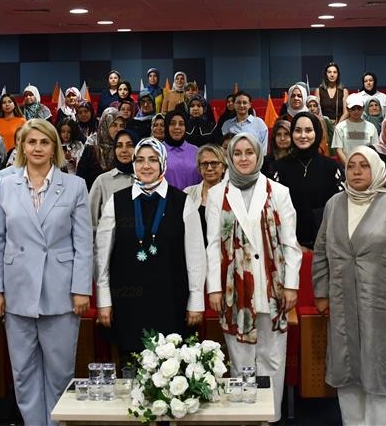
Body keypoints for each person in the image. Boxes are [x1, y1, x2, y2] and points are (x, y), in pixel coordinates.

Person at [0, 119, 92, 426]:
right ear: (21, 146)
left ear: (54, 147)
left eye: (44, 142)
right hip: (17, 291)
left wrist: (81, 289)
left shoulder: (74, 186)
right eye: (31, 142)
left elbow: (83, 243)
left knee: (60, 373)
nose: (37, 148)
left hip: (60, 292)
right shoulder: (6, 185)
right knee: (23, 373)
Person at [313, 146, 386, 426]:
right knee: (348, 371)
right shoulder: (334, 204)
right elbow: (321, 251)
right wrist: (321, 292)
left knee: (382, 370)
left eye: (364, 166)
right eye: (351, 166)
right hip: (343, 302)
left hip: (384, 305)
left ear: (376, 169)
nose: (357, 171)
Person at [206, 132, 300, 422]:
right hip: (233, 288)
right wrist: (214, 288)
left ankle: (270, 417)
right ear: (229, 157)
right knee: (241, 357)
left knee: (272, 357)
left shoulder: (279, 191)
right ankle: (244, 416)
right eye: (237, 153)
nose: (244, 158)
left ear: (258, 156)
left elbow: (290, 244)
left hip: (272, 287)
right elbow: (212, 245)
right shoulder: (216, 194)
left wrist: (291, 285)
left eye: (249, 152)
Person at [94, 137, 205, 356]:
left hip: (171, 299)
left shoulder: (183, 202)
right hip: (127, 301)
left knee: (170, 365)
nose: (146, 166)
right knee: (130, 363)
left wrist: (196, 300)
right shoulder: (116, 201)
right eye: (140, 160)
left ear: (163, 163)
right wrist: (104, 300)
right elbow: (102, 256)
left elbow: (195, 256)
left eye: (153, 160)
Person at [272, 113, 343, 249]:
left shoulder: (332, 168)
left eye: (308, 130)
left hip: (326, 245)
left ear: (317, 133)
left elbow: (340, 210)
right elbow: (275, 210)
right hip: (288, 245)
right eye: (298, 130)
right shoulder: (278, 168)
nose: (303, 135)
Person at [87, 128, 139, 225]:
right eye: (119, 146)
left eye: (130, 145)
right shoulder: (103, 181)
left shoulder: (145, 180)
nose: (124, 150)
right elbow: (90, 219)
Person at [184, 145, 227, 241]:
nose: (209, 168)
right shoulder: (188, 193)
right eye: (204, 164)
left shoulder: (232, 195)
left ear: (223, 167)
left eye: (214, 163)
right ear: (199, 168)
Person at [76, 111, 125, 190]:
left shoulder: (124, 150)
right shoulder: (91, 150)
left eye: (121, 126)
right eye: (114, 125)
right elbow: (80, 179)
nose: (118, 129)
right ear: (105, 125)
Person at [332, 93, 378, 164]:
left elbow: (374, 150)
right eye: (353, 109)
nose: (356, 111)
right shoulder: (340, 127)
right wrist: (349, 166)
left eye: (359, 108)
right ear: (348, 109)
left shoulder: (371, 127)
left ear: (363, 108)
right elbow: (339, 150)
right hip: (346, 165)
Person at [162, 111, 199, 189]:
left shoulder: (195, 151)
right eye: (172, 123)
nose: (177, 127)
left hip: (193, 196)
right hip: (168, 196)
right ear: (166, 126)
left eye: (181, 124)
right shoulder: (158, 151)